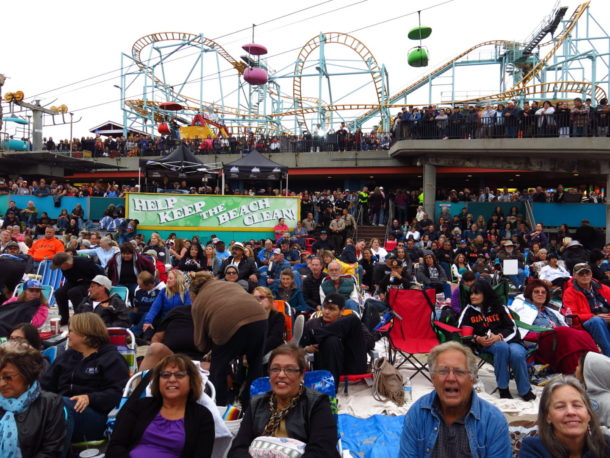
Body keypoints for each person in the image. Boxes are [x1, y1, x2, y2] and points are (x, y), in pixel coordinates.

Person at [399, 341, 511, 457]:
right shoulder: (418, 413)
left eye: (459, 372)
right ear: (433, 378)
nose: (451, 378)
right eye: (443, 371)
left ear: (472, 379)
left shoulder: (493, 421)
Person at [229, 344, 339, 457]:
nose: (281, 375)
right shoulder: (257, 403)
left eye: (289, 369)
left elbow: (322, 451)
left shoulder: (318, 403)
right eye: (275, 369)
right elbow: (238, 448)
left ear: (301, 375)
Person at [41, 312, 130, 442]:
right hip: (61, 410)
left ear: (84, 335)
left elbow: (118, 394)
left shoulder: (111, 359)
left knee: (61, 404)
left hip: (95, 417)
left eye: (71, 331)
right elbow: (46, 385)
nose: (67, 335)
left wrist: (90, 398)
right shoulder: (66, 357)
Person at [107, 354, 215, 457]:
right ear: (158, 381)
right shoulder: (139, 406)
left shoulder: (202, 417)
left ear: (191, 381)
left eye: (179, 375)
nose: (171, 379)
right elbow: (115, 446)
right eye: (165, 375)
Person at [190, 271, 268, 406]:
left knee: (218, 368)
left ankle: (219, 406)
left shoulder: (198, 301)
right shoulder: (230, 285)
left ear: (194, 293)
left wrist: (208, 349)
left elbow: (200, 343)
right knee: (255, 363)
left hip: (227, 322)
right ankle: (253, 405)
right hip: (259, 316)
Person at [458, 280, 536, 401]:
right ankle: (503, 388)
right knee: (501, 347)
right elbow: (461, 330)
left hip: (511, 341)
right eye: (471, 294)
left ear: (485, 293)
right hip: (486, 344)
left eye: (476, 293)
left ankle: (524, 390)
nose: (472, 296)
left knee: (517, 353)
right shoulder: (469, 310)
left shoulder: (499, 307)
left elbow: (512, 327)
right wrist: (477, 338)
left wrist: (499, 336)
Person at [510, 280, 598, 374]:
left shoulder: (552, 310)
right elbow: (521, 331)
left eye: (543, 292)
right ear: (530, 294)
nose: (540, 294)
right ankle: (575, 371)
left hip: (559, 339)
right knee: (564, 332)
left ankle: (594, 365)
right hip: (540, 343)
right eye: (536, 292)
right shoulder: (522, 309)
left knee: (583, 334)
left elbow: (565, 326)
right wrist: (544, 333)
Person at [0, 341, 66, 457]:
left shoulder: (50, 404)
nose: (1, 384)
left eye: (8, 377)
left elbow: (51, 452)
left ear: (27, 374)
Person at [520, 375, 609, 458]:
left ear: (588, 414)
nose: (570, 412)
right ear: (548, 416)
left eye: (577, 405)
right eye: (560, 407)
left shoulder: (606, 445)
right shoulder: (533, 449)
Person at [300, 293, 373, 386]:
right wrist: (306, 349)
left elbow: (370, 342)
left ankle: (318, 335)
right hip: (327, 368)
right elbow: (298, 348)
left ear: (342, 311)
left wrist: (347, 340)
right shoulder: (313, 324)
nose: (326, 312)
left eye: (332, 309)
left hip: (351, 365)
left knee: (353, 319)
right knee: (331, 340)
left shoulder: (350, 323)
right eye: (324, 307)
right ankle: (330, 388)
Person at [562, 263, 610, 357]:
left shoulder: (602, 287)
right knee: (597, 321)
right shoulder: (569, 292)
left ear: (591, 274)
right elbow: (571, 316)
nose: (584, 276)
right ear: (575, 276)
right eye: (581, 274)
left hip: (606, 317)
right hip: (585, 323)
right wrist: (593, 316)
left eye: (587, 273)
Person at [52, 251, 103, 326]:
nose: (59, 268)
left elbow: (99, 276)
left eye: (60, 266)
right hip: (75, 281)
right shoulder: (64, 268)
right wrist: (79, 279)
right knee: (59, 292)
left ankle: (79, 318)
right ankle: (65, 318)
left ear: (65, 263)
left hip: (91, 282)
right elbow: (70, 279)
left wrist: (84, 280)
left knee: (73, 292)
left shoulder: (85, 262)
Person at [143, 270, 190, 334]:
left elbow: (187, 310)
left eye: (170, 278)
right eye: (168, 278)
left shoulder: (186, 293)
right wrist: (147, 321)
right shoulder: (163, 291)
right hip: (164, 321)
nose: (167, 280)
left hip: (179, 322)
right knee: (147, 317)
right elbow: (154, 308)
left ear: (178, 280)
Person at [575, 352, 610, 428]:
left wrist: (597, 431)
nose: (576, 368)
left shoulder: (607, 402)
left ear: (590, 372)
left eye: (579, 365)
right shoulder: (583, 388)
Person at [253, 287, 286, 358]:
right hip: (253, 352)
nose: (258, 301)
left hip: (272, 352)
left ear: (270, 299)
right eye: (255, 298)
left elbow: (274, 340)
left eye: (261, 297)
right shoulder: (251, 318)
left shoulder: (278, 317)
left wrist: (256, 353)